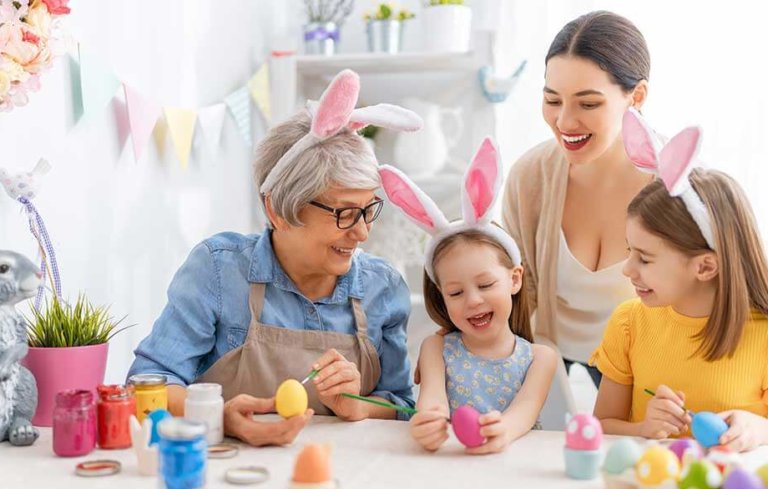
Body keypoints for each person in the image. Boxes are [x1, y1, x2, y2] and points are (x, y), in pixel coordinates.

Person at [127, 70, 423, 446]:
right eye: (344, 214)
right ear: (279, 209)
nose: (362, 232)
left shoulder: (383, 287)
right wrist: (221, 417)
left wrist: (360, 405)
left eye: (368, 210)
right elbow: (146, 384)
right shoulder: (218, 271)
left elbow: (399, 405)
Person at [591, 110, 768, 452]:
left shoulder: (762, 336)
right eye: (629, 251)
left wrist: (759, 428)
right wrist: (643, 427)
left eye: (645, 258)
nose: (627, 269)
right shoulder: (630, 323)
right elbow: (600, 426)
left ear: (704, 267)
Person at [502, 11, 654, 387]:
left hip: (645, 375)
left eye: (588, 104)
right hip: (550, 368)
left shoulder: (676, 183)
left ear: (636, 97)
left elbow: (738, 293)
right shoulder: (529, 178)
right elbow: (517, 294)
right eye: (553, 100)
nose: (565, 122)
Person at [381, 138, 557, 454]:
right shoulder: (435, 347)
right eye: (456, 292)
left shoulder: (541, 358)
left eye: (486, 285)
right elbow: (432, 402)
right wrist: (428, 425)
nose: (473, 300)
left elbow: (523, 415)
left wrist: (501, 432)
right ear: (442, 297)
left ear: (515, 279)